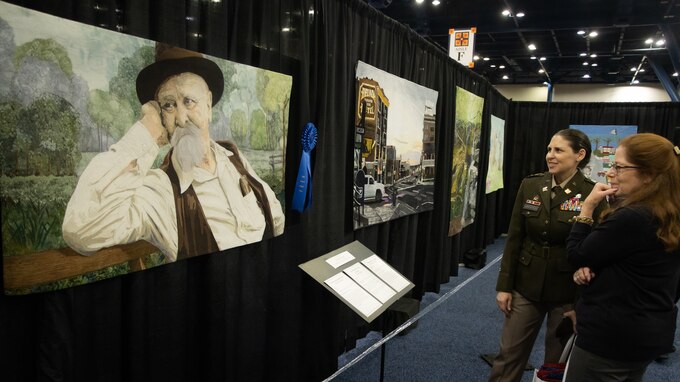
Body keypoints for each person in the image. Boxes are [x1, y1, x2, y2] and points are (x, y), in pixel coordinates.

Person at [62, 44, 285, 262]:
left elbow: (275, 216)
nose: (180, 118)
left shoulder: (232, 157)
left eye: (188, 101)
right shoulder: (161, 190)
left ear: (208, 104)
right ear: (160, 115)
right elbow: (80, 229)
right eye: (168, 105)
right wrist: (144, 133)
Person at [489, 128, 607, 382]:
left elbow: (599, 247)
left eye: (558, 150)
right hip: (526, 283)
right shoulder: (531, 184)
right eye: (549, 150)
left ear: (580, 155)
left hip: (567, 292)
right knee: (508, 356)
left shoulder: (592, 193)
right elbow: (514, 238)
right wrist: (504, 286)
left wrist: (581, 301)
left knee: (556, 363)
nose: (550, 156)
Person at [565, 133, 680, 381]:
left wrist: (586, 209)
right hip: (648, 332)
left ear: (648, 174)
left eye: (619, 166)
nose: (610, 172)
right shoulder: (670, 212)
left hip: (610, 337)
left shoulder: (633, 217)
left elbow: (577, 253)